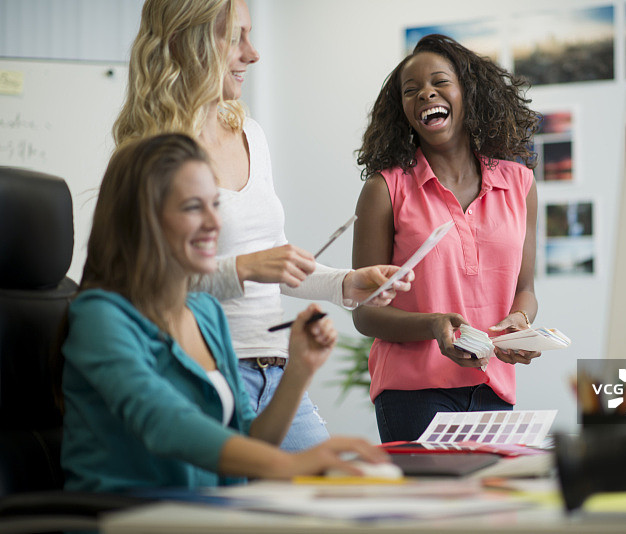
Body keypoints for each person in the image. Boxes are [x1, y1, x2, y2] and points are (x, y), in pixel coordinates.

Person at [112, 0, 412, 452]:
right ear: (185, 41)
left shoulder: (251, 133)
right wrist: (248, 267)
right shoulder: (151, 152)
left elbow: (275, 256)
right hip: (206, 375)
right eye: (235, 38)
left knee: (328, 499)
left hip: (278, 373)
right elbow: (150, 281)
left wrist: (348, 283)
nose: (253, 54)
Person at [60, 133, 388, 493]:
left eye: (215, 204)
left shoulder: (205, 313)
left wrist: (298, 370)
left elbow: (251, 439)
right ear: (142, 218)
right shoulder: (101, 317)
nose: (215, 222)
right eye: (192, 207)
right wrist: (291, 465)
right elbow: (164, 423)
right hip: (131, 516)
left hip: (208, 512)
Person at [353, 34, 542, 443]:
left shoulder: (519, 183)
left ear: (468, 93)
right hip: (412, 398)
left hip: (495, 390)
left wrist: (521, 324)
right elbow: (364, 312)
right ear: (402, 109)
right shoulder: (385, 190)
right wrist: (433, 325)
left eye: (440, 82)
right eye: (411, 90)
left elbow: (524, 289)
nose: (425, 94)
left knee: (494, 508)